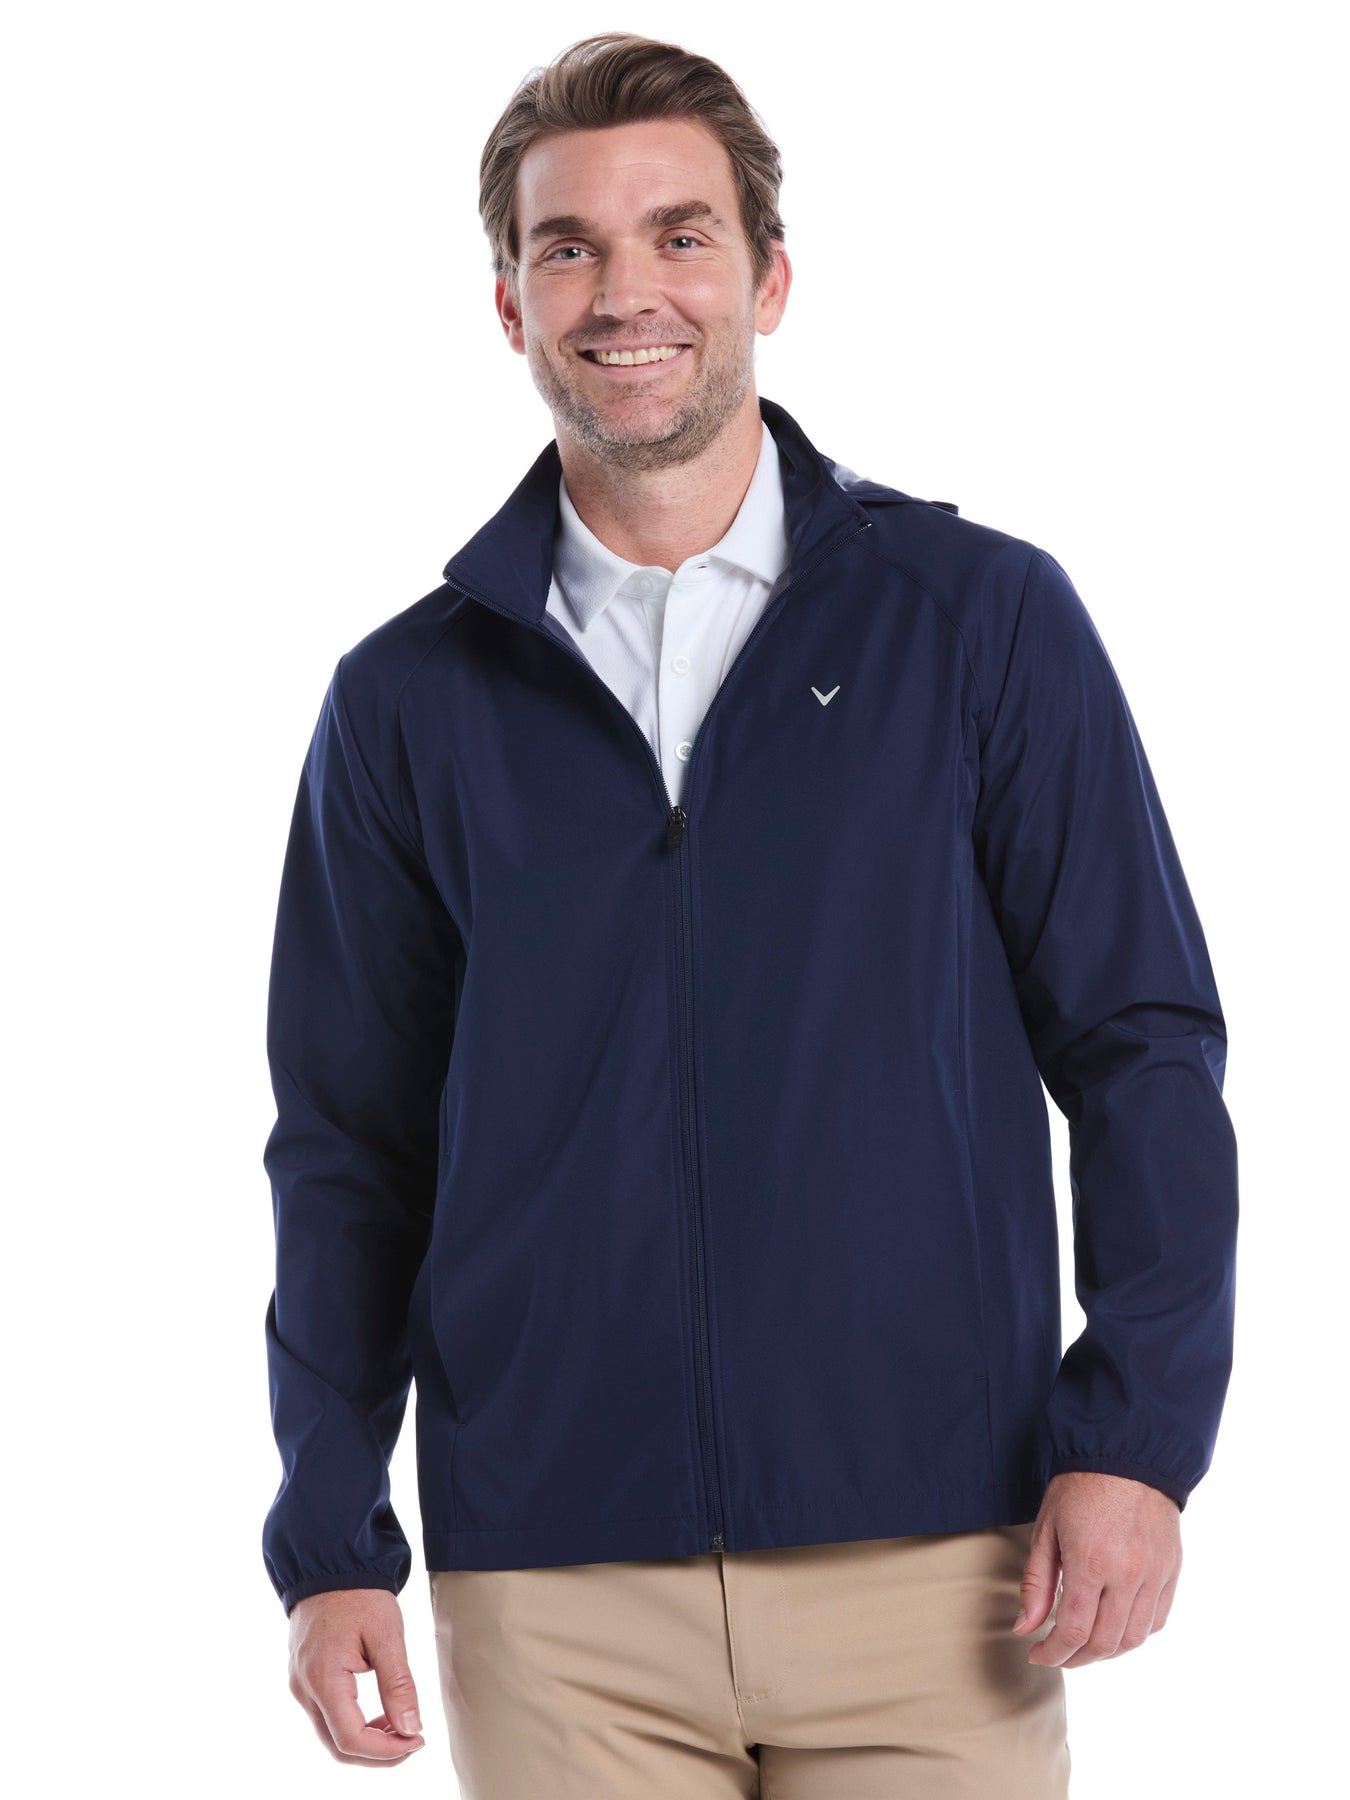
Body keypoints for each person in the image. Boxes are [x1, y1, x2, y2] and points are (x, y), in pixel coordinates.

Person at [260, 30, 1238, 1798]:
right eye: (569, 247)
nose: (625, 292)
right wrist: (332, 1536)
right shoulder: (406, 701)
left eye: (679, 234)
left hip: (941, 1564)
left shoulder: (975, 620)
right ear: (509, 305)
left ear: (768, 278)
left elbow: (1139, 1048)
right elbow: (348, 1147)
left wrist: (1140, 1434)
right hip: (554, 1592)